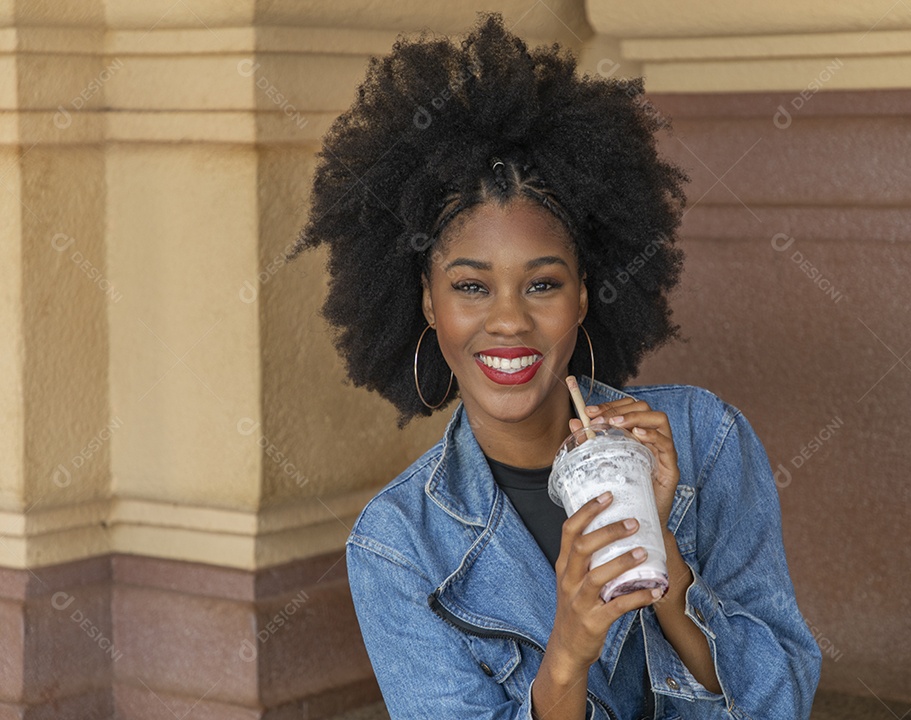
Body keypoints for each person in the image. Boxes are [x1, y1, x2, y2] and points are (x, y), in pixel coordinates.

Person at [285, 12, 821, 719]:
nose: (508, 320)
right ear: (426, 303)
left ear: (582, 298)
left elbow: (781, 703)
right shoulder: (398, 546)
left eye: (542, 284)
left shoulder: (706, 441)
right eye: (471, 286)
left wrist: (664, 557)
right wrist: (567, 652)